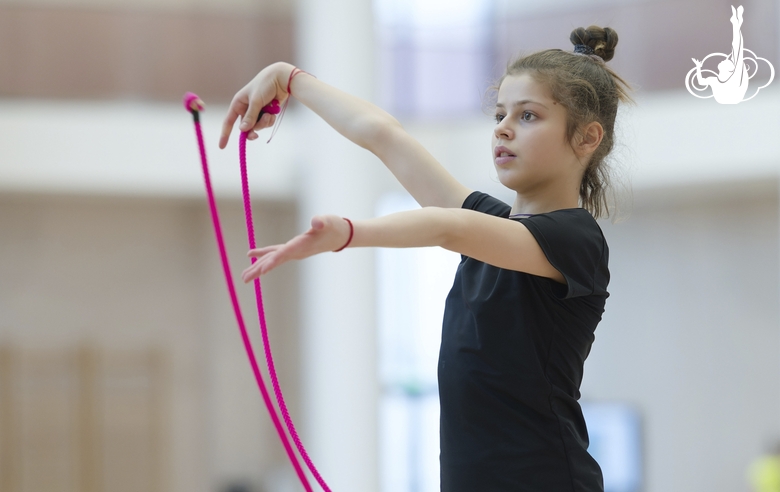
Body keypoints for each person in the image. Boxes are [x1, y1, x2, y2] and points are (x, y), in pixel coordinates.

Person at [220, 25, 635, 492]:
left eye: (528, 116)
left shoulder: (575, 240)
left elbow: (446, 227)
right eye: (500, 113)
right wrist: (289, 78)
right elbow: (383, 136)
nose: (502, 127)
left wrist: (350, 233)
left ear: (586, 138)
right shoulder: (491, 227)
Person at [692, 5, 748, 104]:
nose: (725, 59)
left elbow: (737, 48)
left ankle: (736, 23)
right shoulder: (714, 80)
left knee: (736, 50)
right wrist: (698, 67)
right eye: (728, 60)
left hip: (732, 99)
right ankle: (736, 23)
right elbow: (701, 82)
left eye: (727, 61)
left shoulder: (734, 78)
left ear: (729, 69)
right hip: (726, 101)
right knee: (736, 50)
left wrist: (736, 26)